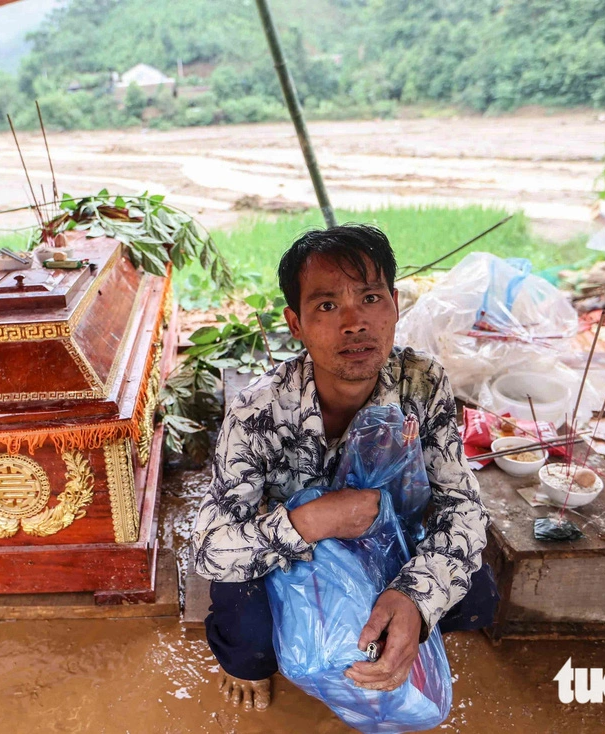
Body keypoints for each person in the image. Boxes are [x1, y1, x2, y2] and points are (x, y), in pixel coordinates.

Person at [190, 224, 497, 712]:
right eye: (327, 306)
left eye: (371, 298)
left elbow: (462, 508)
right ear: (296, 323)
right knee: (250, 642)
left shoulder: (422, 382)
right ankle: (246, 666)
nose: (354, 323)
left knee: (476, 598)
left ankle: (389, 640)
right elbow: (209, 550)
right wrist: (311, 521)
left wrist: (414, 598)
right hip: (294, 551)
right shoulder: (258, 409)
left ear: (395, 304)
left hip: (384, 539)